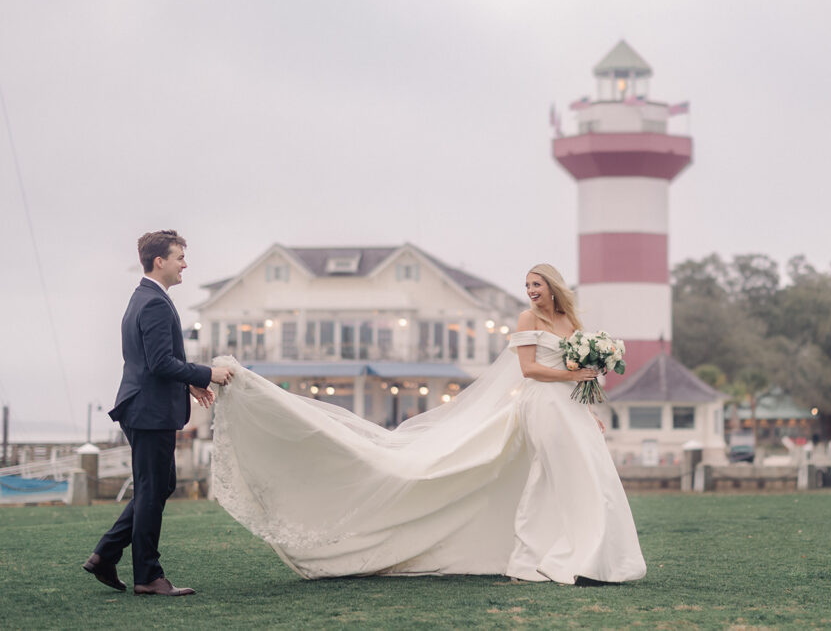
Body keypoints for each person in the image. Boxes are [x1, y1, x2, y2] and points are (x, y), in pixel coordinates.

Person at [211, 263, 646, 584]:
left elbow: (577, 372)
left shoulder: (572, 323)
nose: (531, 292)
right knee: (552, 476)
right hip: (543, 406)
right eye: (527, 286)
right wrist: (574, 376)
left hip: (569, 407)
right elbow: (530, 369)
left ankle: (596, 555)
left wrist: (586, 404)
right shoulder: (527, 320)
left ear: (553, 287)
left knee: (591, 474)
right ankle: (538, 557)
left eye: (537, 284)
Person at [83, 230, 233, 596]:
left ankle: (105, 554)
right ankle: (147, 576)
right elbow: (159, 362)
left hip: (147, 407)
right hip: (148, 411)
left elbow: (158, 362)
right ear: (159, 261)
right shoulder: (152, 302)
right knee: (152, 490)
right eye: (180, 257)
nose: (186, 263)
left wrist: (188, 383)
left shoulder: (147, 298)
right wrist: (206, 374)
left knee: (159, 485)